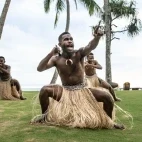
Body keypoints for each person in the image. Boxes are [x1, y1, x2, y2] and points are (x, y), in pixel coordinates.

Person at [31, 29, 124, 129]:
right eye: (66, 39)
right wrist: (50, 54)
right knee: (45, 90)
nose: (70, 41)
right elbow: (39, 69)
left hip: (83, 91)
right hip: (65, 92)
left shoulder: (79, 53)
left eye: (71, 39)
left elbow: (90, 46)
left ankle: (109, 123)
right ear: (60, 43)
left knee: (107, 97)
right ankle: (44, 118)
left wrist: (97, 37)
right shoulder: (56, 59)